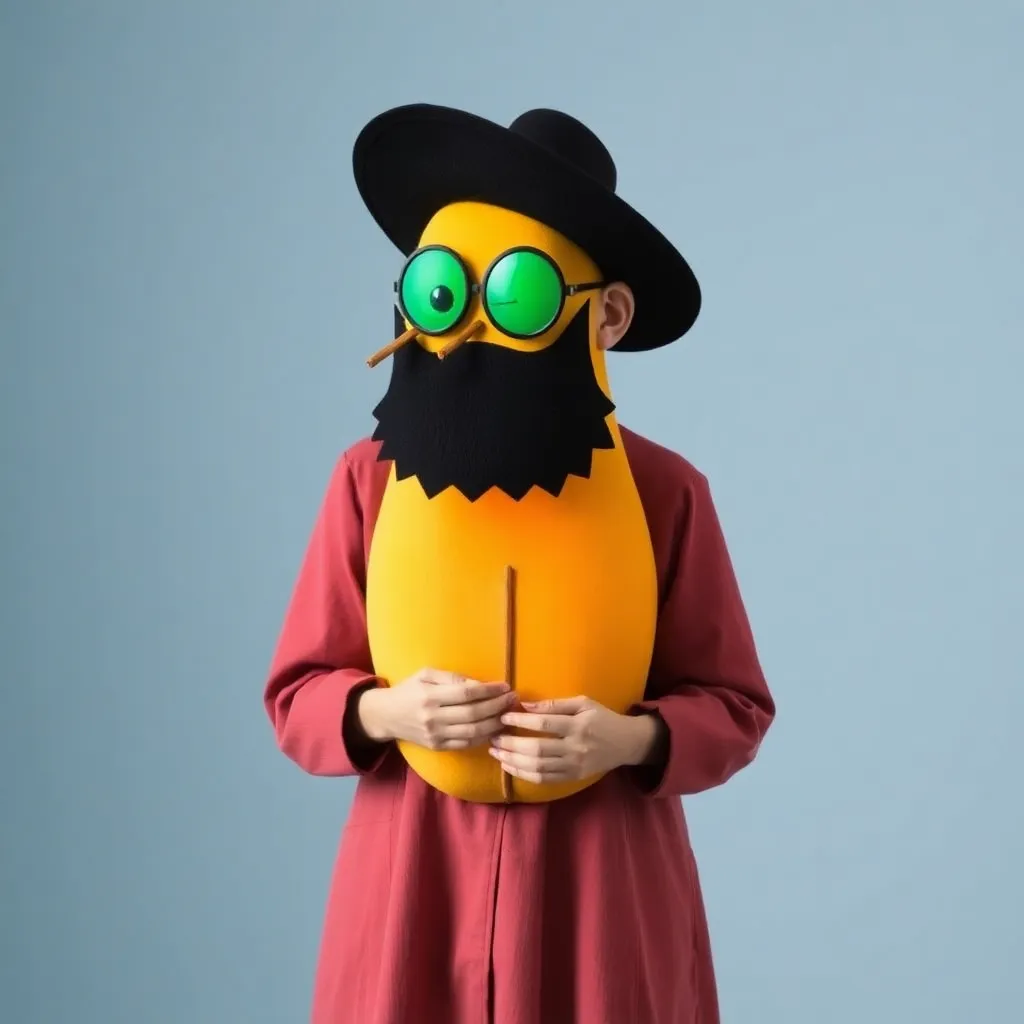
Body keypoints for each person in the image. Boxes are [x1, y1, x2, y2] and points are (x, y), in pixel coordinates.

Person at [264, 104, 775, 1024]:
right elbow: (296, 694)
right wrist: (386, 711)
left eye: (516, 293)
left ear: (606, 315)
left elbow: (735, 706)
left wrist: (629, 738)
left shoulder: (665, 491)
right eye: (444, 292)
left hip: (603, 884)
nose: (472, 333)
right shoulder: (367, 481)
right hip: (414, 874)